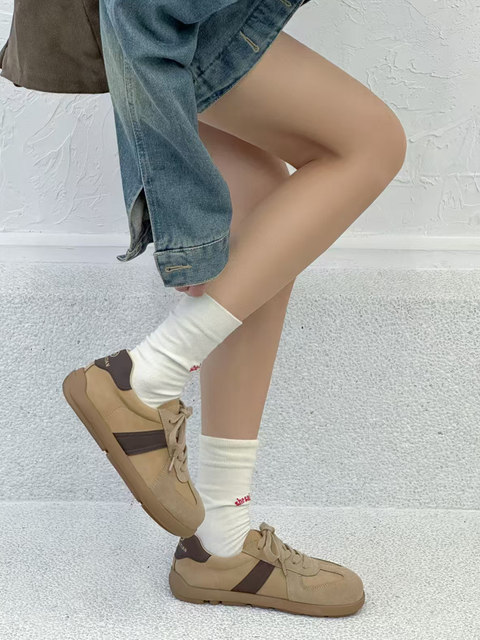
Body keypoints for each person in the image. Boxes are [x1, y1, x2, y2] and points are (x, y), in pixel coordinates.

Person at [2, 0, 406, 618]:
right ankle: (144, 377)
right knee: (369, 143)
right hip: (163, 17)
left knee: (263, 220)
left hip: (166, 16)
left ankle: (221, 542)